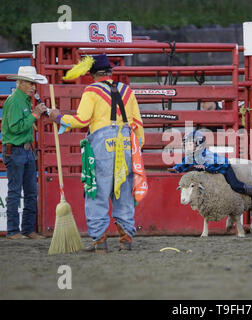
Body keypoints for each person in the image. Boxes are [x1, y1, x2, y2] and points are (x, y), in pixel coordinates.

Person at [48, 54, 145, 252]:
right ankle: (126, 237)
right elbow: (138, 125)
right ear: (110, 72)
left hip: (103, 148)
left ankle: (100, 239)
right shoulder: (127, 91)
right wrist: (137, 150)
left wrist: (58, 116)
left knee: (97, 191)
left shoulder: (91, 92)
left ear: (92, 74)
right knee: (124, 192)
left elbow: (82, 120)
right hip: (126, 145)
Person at [2, 66, 48, 240]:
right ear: (20, 82)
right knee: (17, 191)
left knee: (29, 191)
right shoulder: (15, 101)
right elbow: (15, 128)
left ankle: (26, 229)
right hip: (16, 150)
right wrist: (35, 115)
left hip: (23, 150)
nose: (33, 86)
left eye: (34, 83)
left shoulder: (22, 100)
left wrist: (34, 115)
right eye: (30, 82)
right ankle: (14, 231)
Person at [168, 130, 252, 206]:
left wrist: (206, 167)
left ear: (199, 145)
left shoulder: (206, 155)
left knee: (234, 185)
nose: (187, 147)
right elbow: (184, 163)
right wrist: (176, 169)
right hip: (207, 168)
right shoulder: (190, 156)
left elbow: (214, 165)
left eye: (190, 145)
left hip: (223, 167)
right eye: (186, 145)